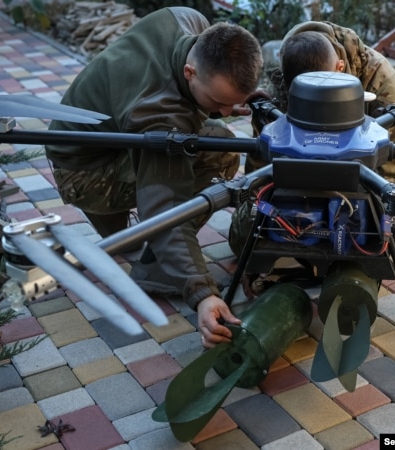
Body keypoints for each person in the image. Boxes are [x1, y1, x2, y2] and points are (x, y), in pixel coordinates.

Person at [44, 7, 264, 349]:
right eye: (219, 101)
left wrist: (227, 101)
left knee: (214, 133)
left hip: (104, 139)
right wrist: (202, 293)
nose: (224, 110)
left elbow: (194, 94)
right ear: (190, 72)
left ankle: (124, 232)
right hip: (84, 173)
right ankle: (155, 264)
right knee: (219, 148)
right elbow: (166, 208)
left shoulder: (187, 21)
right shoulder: (159, 113)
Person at [246, 21, 395, 182]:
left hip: (360, 168)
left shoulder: (379, 77)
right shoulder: (282, 80)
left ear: (340, 68)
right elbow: (260, 161)